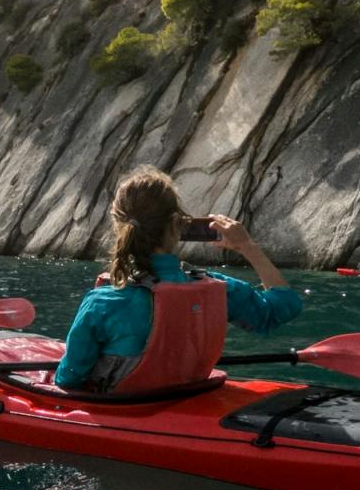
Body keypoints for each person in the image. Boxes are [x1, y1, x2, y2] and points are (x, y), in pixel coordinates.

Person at [54, 167, 302, 394]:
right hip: (186, 400)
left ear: (119, 226)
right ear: (177, 224)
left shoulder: (103, 302)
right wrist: (248, 247)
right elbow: (283, 306)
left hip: (123, 411)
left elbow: (68, 380)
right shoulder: (215, 289)